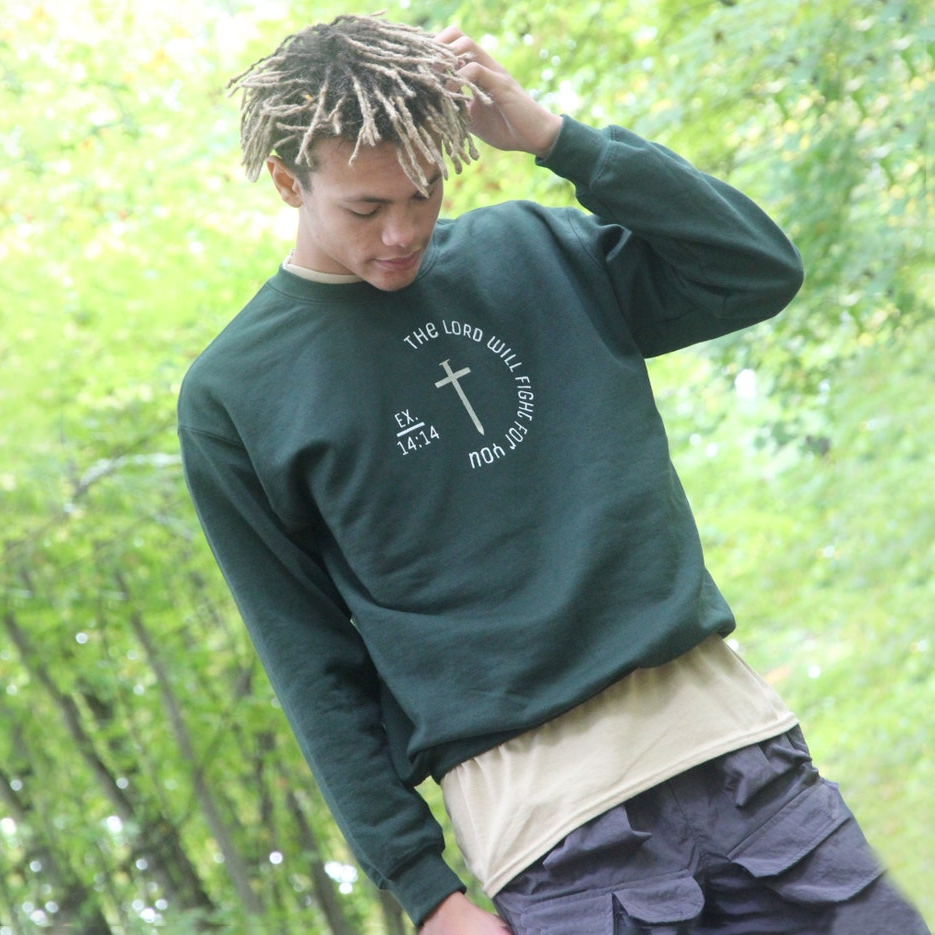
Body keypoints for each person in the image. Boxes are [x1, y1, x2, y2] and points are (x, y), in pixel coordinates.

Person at [177, 14, 930, 935]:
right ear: (289, 181)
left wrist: (555, 139)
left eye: (424, 191)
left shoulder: (533, 251)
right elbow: (309, 658)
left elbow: (754, 268)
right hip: (551, 839)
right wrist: (427, 892)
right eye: (365, 209)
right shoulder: (237, 393)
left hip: (746, 766)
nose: (402, 230)